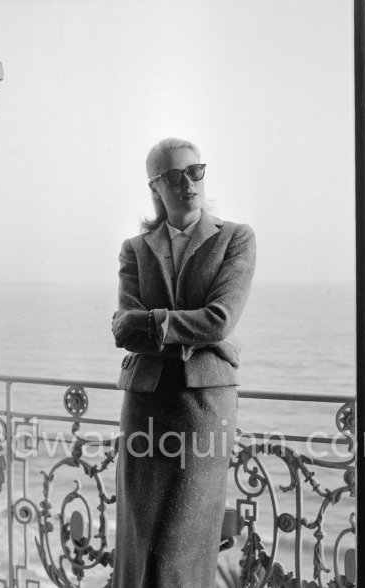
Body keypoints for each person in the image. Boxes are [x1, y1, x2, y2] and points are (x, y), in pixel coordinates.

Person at [111, 137, 256, 588]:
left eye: (196, 171)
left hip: (203, 409)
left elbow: (219, 319)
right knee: (140, 538)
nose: (188, 183)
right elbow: (122, 330)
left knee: (179, 542)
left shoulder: (236, 238)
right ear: (156, 187)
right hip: (145, 406)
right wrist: (190, 332)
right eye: (175, 176)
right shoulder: (135, 248)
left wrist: (152, 323)